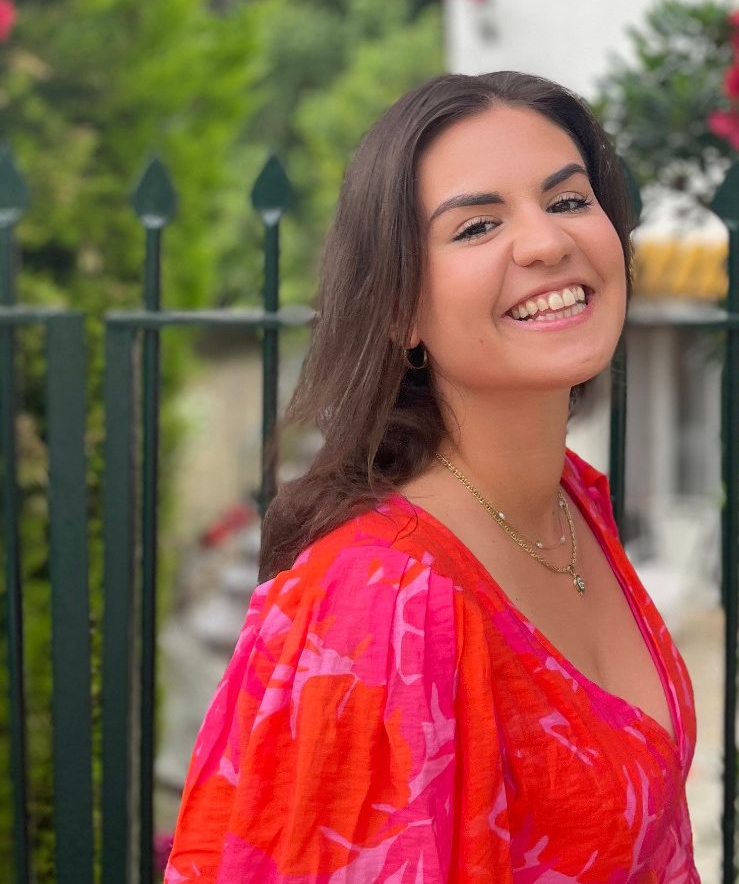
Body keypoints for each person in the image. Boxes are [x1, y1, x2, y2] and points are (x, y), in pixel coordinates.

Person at [165, 71, 699, 882]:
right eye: (477, 225)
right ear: (399, 310)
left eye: (567, 200)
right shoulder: (383, 602)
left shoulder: (571, 502)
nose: (546, 243)